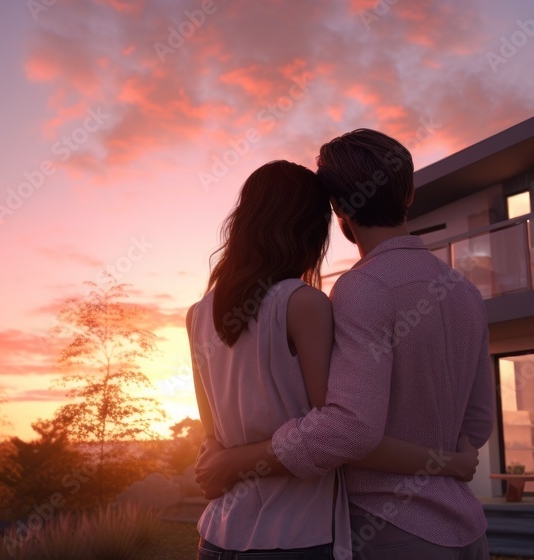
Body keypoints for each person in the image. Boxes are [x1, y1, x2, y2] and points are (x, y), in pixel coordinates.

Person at [195, 131, 496, 559]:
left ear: (336, 208)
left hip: (384, 527)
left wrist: (232, 461)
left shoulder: (361, 290)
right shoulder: (464, 291)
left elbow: (348, 429)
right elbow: (479, 421)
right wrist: (449, 463)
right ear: (409, 193)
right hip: (466, 529)